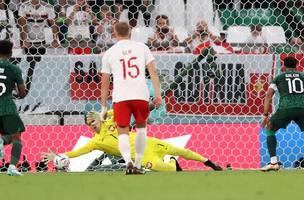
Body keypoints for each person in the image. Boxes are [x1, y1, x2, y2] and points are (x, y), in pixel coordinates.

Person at [42, 110, 223, 171]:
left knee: (182, 151)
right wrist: (60, 155)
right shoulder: (96, 141)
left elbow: (120, 110)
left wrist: (104, 114)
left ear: (98, 118)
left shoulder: (110, 121)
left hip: (147, 141)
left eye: (93, 121)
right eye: (89, 124)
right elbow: (78, 152)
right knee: (167, 170)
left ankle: (210, 163)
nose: (92, 125)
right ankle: (173, 165)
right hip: (140, 157)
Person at [100, 22, 162, 175]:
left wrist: (103, 108)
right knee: (141, 128)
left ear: (114, 33)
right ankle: (139, 164)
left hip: (121, 97)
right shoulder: (142, 47)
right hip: (140, 95)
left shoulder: (109, 53)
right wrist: (158, 94)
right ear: (130, 32)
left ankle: (128, 162)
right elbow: (153, 72)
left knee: (123, 131)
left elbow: (104, 83)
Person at [261, 57, 303, 172]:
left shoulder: (278, 77)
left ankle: (273, 162)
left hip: (285, 108)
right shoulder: (302, 76)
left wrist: (265, 114)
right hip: (302, 108)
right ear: (297, 67)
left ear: (283, 67)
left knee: (270, 128)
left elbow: (268, 95)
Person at [0, 40, 27, 176]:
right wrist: (16, 88)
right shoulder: (14, 69)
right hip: (7, 107)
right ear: (10, 54)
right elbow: (22, 93)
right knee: (16, 137)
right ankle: (11, 167)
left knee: (8, 136)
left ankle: (2, 141)